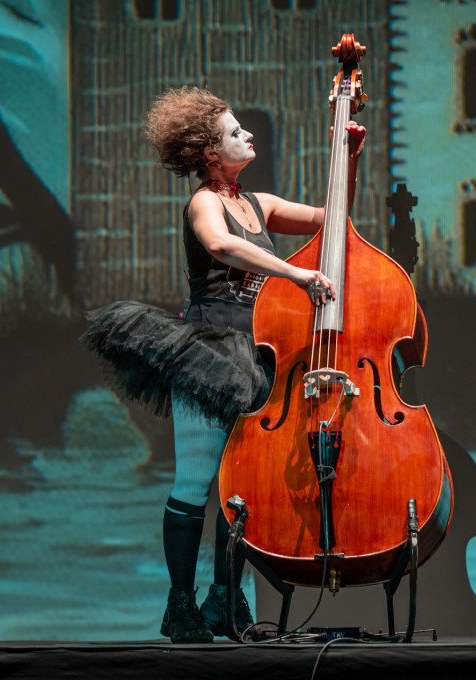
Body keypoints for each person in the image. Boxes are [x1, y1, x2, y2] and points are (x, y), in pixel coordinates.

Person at [83, 87, 364, 643]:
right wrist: (296, 275)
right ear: (210, 152)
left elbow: (332, 219)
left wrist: (346, 158)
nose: (249, 136)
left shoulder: (259, 203)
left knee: (245, 486)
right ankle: (180, 606)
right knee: (196, 480)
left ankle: (224, 599)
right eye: (237, 132)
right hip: (210, 351)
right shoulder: (204, 203)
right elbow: (222, 247)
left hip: (260, 352)